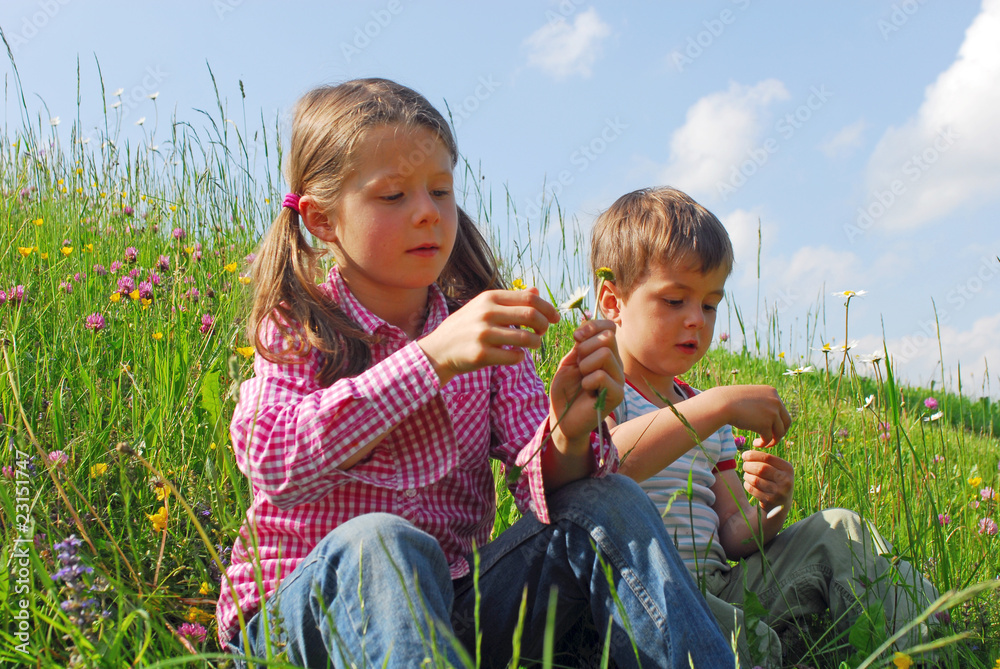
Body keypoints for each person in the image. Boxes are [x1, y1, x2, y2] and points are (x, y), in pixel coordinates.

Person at [215, 80, 732, 669]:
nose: (426, 213)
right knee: (380, 541)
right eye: (392, 196)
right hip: (301, 616)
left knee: (607, 494)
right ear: (323, 219)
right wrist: (431, 359)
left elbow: (546, 484)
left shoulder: (481, 329)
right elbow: (274, 458)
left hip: (449, 609)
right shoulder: (301, 321)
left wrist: (568, 426)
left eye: (440, 190)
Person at [589, 186, 942, 668]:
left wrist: (772, 507)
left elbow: (735, 535)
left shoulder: (702, 411)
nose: (696, 320)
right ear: (613, 300)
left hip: (723, 586)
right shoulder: (604, 386)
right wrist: (717, 404)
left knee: (840, 528)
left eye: (710, 305)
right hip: (646, 594)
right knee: (743, 640)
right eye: (674, 300)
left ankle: (922, 645)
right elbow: (612, 462)